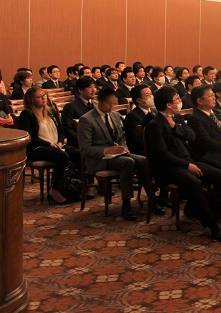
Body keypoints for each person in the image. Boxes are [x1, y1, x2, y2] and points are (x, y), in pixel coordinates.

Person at [144, 87, 221, 242]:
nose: (180, 101)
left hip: (187, 161)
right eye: (177, 99)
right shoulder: (155, 125)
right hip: (168, 168)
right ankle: (211, 224)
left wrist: (175, 127)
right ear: (168, 104)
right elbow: (162, 155)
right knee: (193, 182)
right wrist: (186, 165)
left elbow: (192, 136)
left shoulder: (176, 117)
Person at [77, 87, 149, 220]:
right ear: (100, 102)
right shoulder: (86, 119)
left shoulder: (115, 115)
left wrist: (124, 148)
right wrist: (107, 150)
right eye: (110, 104)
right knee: (128, 162)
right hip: (99, 159)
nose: (113, 107)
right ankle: (126, 204)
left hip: (117, 154)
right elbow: (85, 148)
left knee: (143, 160)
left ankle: (151, 197)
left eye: (115, 103)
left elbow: (121, 137)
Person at [16, 87, 70, 204]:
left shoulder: (51, 111)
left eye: (44, 95)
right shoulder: (27, 114)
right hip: (36, 148)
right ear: (31, 100)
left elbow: (61, 131)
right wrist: (48, 144)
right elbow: (29, 137)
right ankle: (55, 190)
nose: (43, 98)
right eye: (39, 97)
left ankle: (73, 187)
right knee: (62, 156)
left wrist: (60, 142)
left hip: (55, 145)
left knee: (77, 152)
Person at [61, 77, 97, 149]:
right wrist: (84, 140)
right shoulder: (70, 107)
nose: (93, 90)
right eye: (90, 87)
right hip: (78, 144)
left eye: (94, 87)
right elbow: (67, 129)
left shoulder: (96, 105)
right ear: (80, 90)